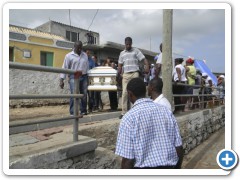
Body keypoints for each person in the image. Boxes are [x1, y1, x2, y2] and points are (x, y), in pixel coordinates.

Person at [115, 78, 183, 169]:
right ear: (145, 91)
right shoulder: (166, 111)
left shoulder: (128, 118)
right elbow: (179, 148)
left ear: (130, 94)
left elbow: (127, 161)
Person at [118, 37, 149, 119]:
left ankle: (134, 110)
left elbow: (143, 59)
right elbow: (120, 65)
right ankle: (123, 112)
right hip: (125, 75)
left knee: (134, 92)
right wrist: (119, 74)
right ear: (125, 44)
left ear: (131, 43)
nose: (128, 45)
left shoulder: (136, 51)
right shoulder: (122, 53)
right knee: (124, 93)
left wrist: (147, 66)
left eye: (129, 44)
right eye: (127, 44)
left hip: (135, 73)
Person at [59, 41, 88, 116]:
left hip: (84, 76)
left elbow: (86, 66)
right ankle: (73, 112)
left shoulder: (84, 55)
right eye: (78, 48)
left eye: (81, 48)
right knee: (74, 94)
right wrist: (62, 79)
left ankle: (83, 110)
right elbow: (64, 67)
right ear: (74, 47)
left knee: (84, 94)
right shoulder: (68, 56)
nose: (80, 49)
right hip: (73, 77)